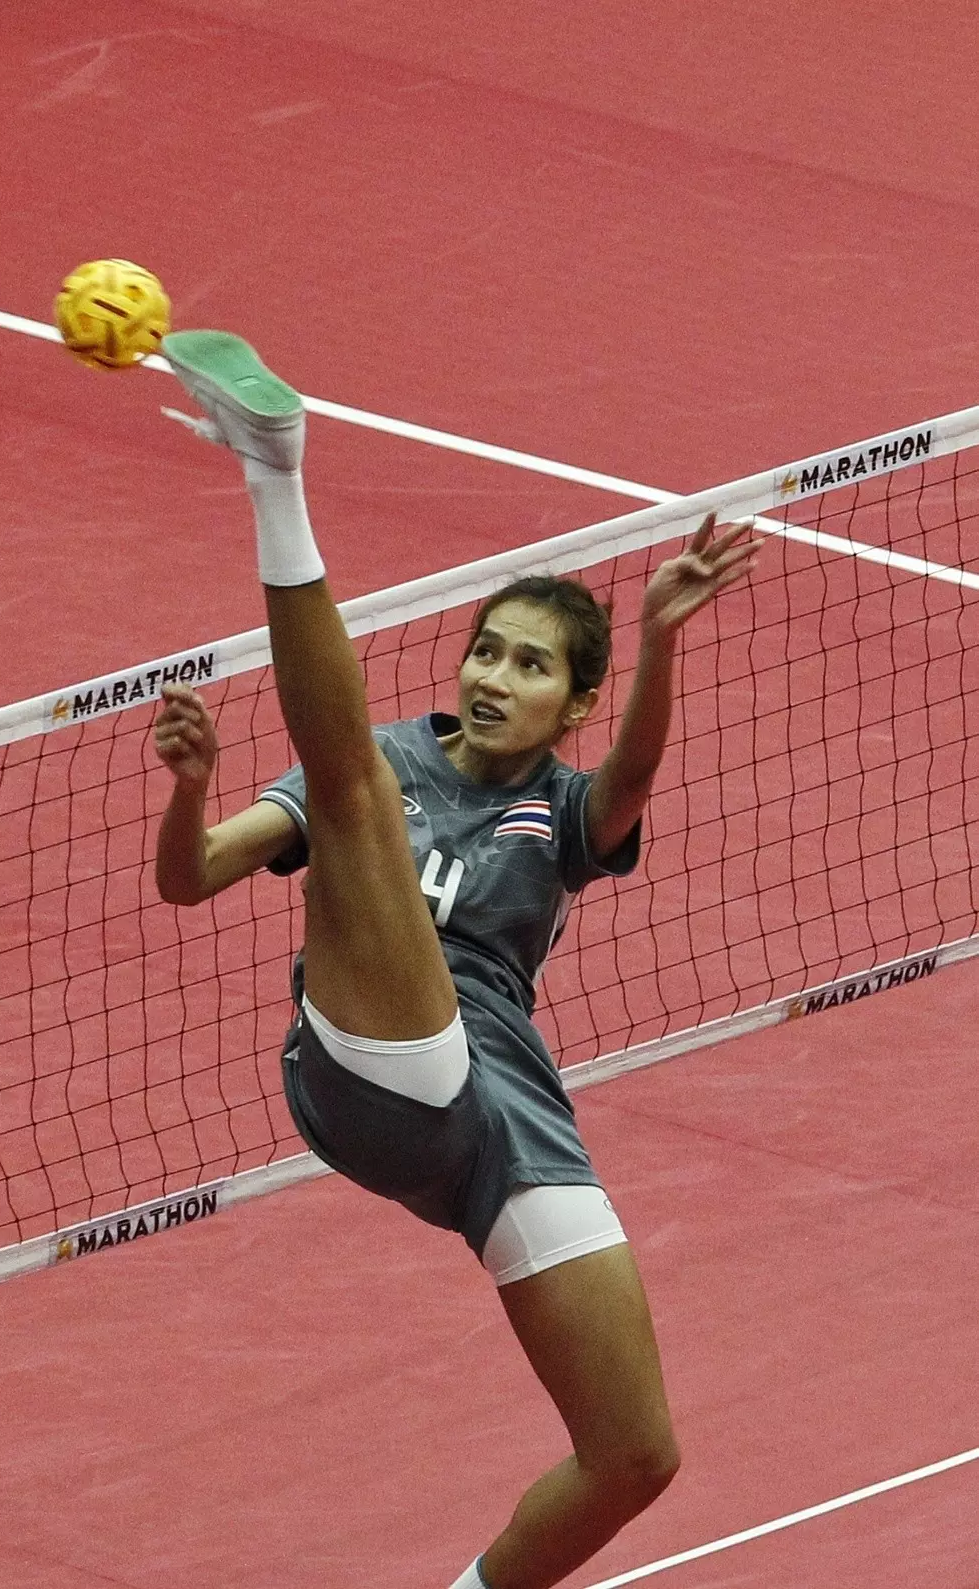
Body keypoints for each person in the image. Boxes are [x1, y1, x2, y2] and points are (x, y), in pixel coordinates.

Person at [149, 330, 756, 1589]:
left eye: (530, 666)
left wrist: (656, 633)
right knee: (356, 794)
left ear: (568, 704)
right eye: (487, 649)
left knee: (635, 1452)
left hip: (502, 1115)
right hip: (367, 1063)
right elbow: (190, 875)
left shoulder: (566, 812)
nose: (493, 675)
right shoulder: (385, 761)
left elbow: (636, 776)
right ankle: (274, 469)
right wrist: (195, 789)